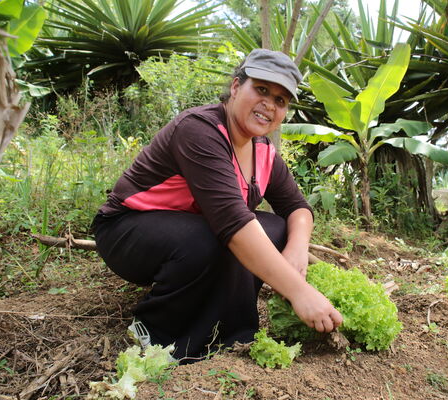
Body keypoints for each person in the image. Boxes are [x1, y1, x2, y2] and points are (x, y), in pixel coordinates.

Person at [92, 49, 343, 362]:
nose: (269, 104)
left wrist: (296, 248)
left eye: (280, 100)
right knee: (217, 237)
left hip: (189, 232)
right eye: (262, 90)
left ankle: (231, 333)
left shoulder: (263, 150)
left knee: (275, 229)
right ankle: (154, 328)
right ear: (236, 87)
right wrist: (299, 292)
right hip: (126, 230)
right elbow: (232, 222)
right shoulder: (199, 130)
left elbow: (297, 208)